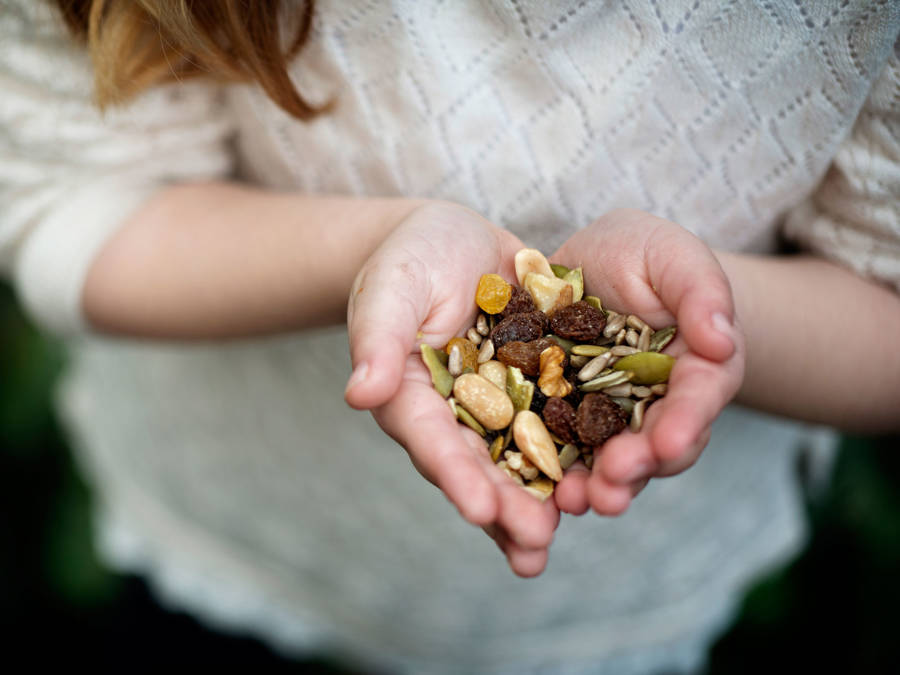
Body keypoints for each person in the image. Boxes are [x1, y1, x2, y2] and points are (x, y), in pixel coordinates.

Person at [2, 0, 898, 672]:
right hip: (232, 515)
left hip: (614, 606)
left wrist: (709, 316)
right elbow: (68, 199)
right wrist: (367, 252)